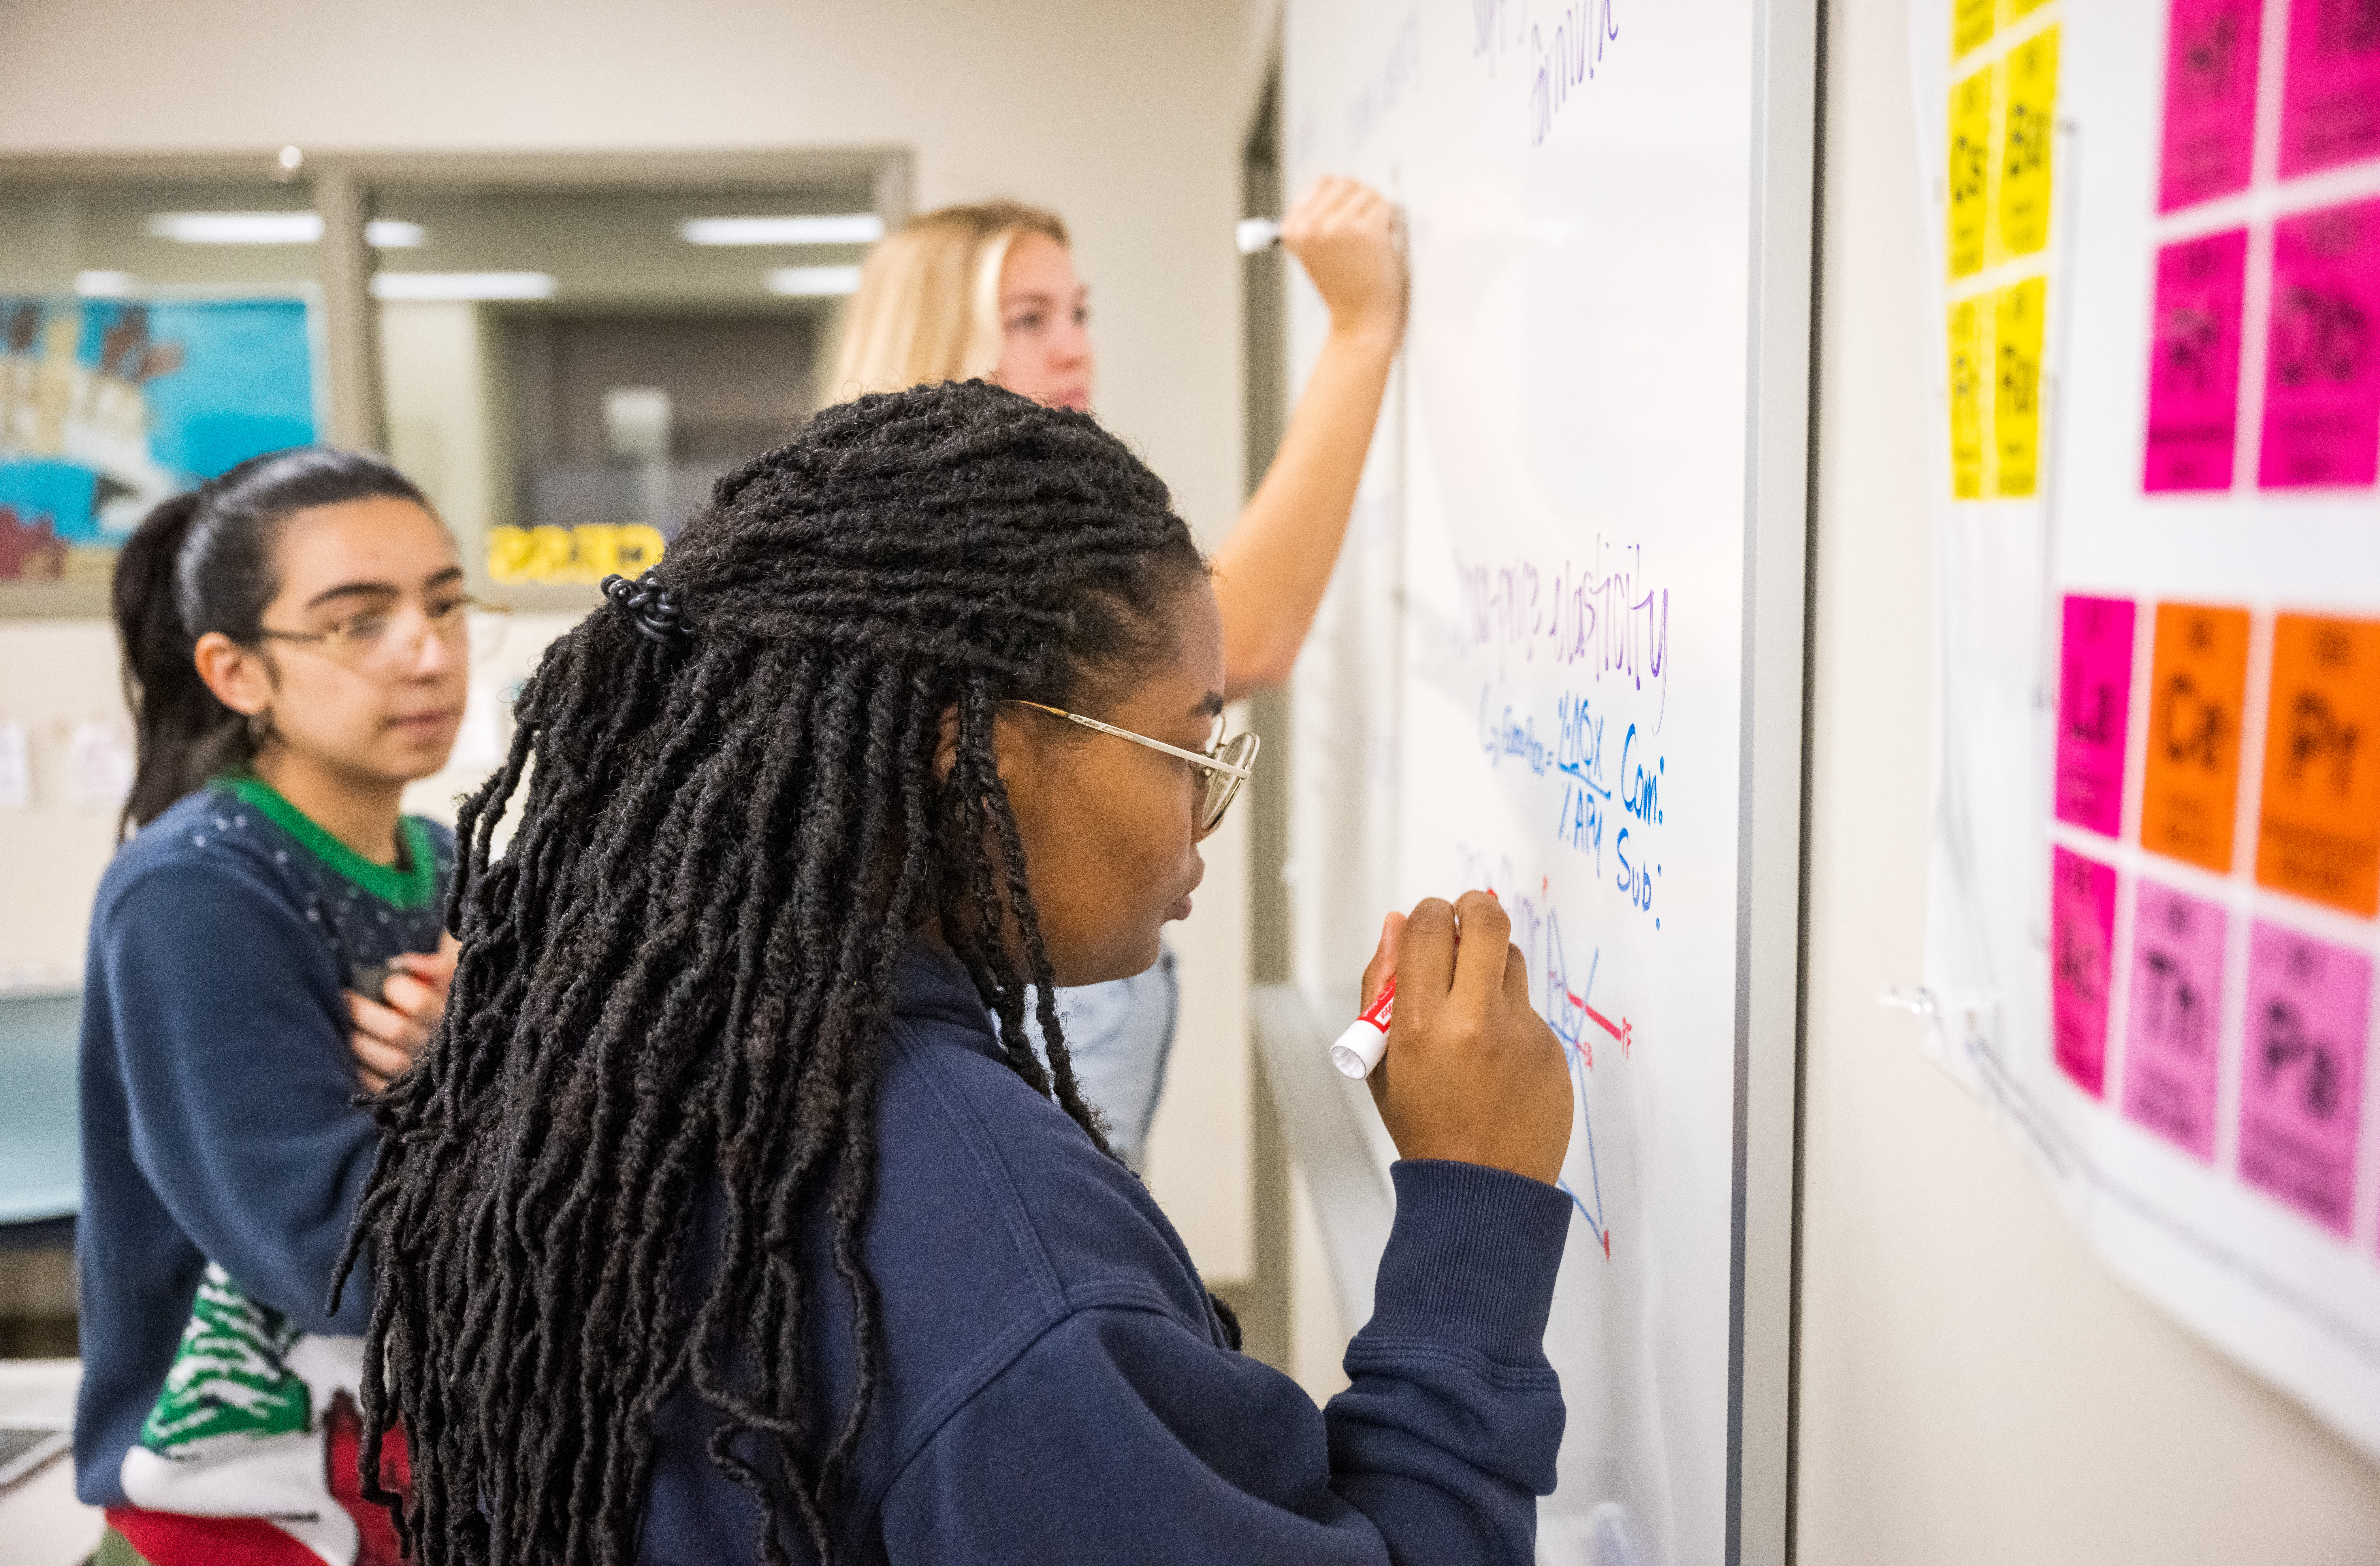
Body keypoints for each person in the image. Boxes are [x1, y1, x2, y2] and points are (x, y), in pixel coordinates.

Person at [344, 382, 1576, 1565]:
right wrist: (1475, 1200)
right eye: (1188, 746)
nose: (1203, 815)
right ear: (966, 755)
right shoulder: (1009, 1260)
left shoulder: (639, 1057)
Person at [832, 181, 1404, 1161]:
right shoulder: (936, 542)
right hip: (1033, 992)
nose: (1073, 347)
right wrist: (1360, 328)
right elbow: (1244, 639)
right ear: (932, 340)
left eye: (1079, 313)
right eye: (1028, 319)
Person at [76, 447, 477, 1566]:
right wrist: (491, 1085)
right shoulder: (196, 888)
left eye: (445, 603)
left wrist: (473, 1065)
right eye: (358, 621)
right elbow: (341, 1256)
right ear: (235, 669)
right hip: (237, 1520)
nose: (426, 649)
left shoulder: (451, 865)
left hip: (407, 1500)